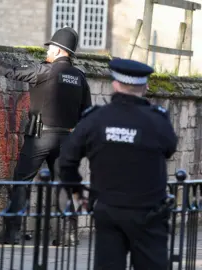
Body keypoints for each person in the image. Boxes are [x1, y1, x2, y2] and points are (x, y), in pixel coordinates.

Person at [0, 26, 92, 245]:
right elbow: (87, 112)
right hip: (67, 140)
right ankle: (67, 235)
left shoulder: (45, 70)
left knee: (22, 181)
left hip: (40, 137)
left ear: (60, 50)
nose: (48, 51)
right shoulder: (80, 77)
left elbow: (11, 71)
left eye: (51, 47)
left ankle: (12, 233)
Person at [58, 57, 178, 269]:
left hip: (108, 209)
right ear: (145, 86)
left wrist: (77, 192)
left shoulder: (95, 119)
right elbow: (169, 149)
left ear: (115, 83)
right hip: (148, 212)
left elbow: (67, 160)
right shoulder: (158, 120)